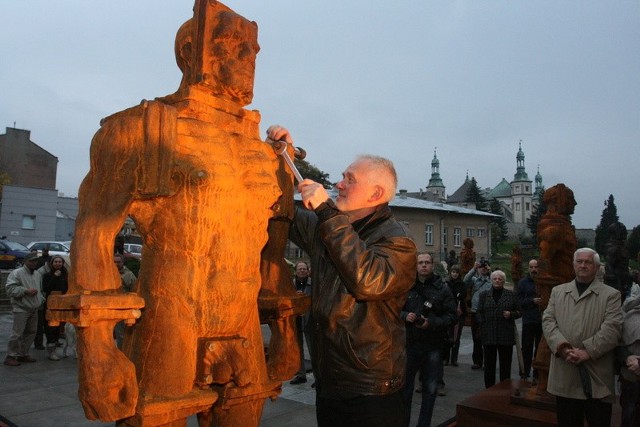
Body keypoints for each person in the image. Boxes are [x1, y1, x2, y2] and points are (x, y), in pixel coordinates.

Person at [269, 124, 418, 427]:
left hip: (371, 389)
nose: (338, 184)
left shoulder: (397, 240)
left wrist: (326, 212)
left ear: (376, 193)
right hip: (329, 382)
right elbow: (282, 210)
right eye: (342, 177)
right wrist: (281, 159)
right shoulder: (328, 225)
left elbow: (367, 280)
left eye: (350, 179)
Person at [542, 248, 622, 427]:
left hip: (596, 375)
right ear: (573, 265)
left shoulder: (611, 295)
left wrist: (587, 352)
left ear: (596, 267)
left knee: (598, 421)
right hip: (565, 373)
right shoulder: (558, 292)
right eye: (579, 261)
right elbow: (548, 321)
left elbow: (612, 329)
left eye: (588, 262)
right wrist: (562, 347)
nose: (583, 265)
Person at [402, 252, 456, 427]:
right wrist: (405, 315)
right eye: (420, 263)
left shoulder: (443, 288)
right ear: (415, 266)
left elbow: (452, 316)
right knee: (405, 390)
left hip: (433, 345)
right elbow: (394, 309)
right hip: (410, 345)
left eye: (427, 262)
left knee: (430, 390)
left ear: (432, 265)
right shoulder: (407, 285)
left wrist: (431, 323)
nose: (424, 265)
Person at [476, 270, 521, 388]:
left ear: (504, 281)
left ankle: (504, 387)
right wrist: (483, 324)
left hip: (505, 334)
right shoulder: (484, 295)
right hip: (489, 334)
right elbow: (479, 312)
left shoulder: (511, 295)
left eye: (500, 279)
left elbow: (520, 312)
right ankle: (489, 388)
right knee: (489, 365)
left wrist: (511, 314)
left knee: (505, 365)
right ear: (491, 280)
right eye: (495, 278)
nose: (497, 280)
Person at [4, 251, 44, 366]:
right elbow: (10, 290)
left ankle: (22, 353)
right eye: (31, 261)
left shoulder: (37, 274)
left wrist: (40, 300)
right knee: (17, 333)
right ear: (25, 261)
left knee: (31, 332)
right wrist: (25, 291)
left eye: (35, 261)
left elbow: (40, 289)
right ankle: (11, 355)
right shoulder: (16, 273)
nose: (34, 263)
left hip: (34, 308)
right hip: (21, 308)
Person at [617, 282, 640, 427]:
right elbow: (615, 341)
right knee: (629, 416)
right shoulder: (628, 307)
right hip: (630, 378)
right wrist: (626, 357)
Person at [516, 259, 542, 381]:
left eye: (536, 267)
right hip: (528, 320)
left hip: (542, 321)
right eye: (531, 267)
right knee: (526, 347)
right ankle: (525, 372)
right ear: (528, 268)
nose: (534, 270)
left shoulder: (543, 282)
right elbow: (519, 302)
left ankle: (538, 373)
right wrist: (532, 301)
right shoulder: (523, 283)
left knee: (540, 348)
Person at [464, 259, 492, 370]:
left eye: (485, 267)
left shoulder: (492, 280)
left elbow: (498, 281)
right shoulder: (475, 280)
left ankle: (487, 362)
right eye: (482, 267)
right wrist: (474, 268)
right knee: (476, 338)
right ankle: (477, 361)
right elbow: (465, 281)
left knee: (488, 339)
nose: (483, 269)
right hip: (475, 312)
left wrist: (490, 271)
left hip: (487, 313)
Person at [41, 255, 69, 361]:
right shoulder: (47, 275)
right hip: (50, 306)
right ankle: (51, 351)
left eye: (60, 262)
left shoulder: (65, 275)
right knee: (50, 328)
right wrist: (55, 277)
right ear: (52, 263)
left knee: (58, 329)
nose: (58, 263)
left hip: (61, 306)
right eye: (56, 262)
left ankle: (55, 347)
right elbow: (46, 288)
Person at [290, 261, 312, 385]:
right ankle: (301, 374)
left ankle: (319, 378)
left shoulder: (313, 284)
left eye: (304, 269)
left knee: (312, 348)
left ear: (307, 271)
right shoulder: (291, 285)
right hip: (296, 319)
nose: (302, 271)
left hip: (310, 319)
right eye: (300, 269)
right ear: (296, 271)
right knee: (298, 348)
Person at [443, 265, 467, 367]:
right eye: (453, 272)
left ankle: (454, 359)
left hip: (459, 313)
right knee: (447, 336)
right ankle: (446, 358)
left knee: (457, 337)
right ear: (450, 273)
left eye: (457, 272)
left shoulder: (462, 284)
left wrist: (457, 295)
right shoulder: (446, 284)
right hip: (448, 312)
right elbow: (446, 295)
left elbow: (463, 295)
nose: (455, 274)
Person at [113, 253, 137, 348]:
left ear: (123, 262)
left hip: (122, 308)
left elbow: (134, 290)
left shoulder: (128, 275)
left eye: (118, 262)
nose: (116, 264)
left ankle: (122, 354)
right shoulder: (107, 273)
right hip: (108, 307)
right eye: (114, 262)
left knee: (121, 334)